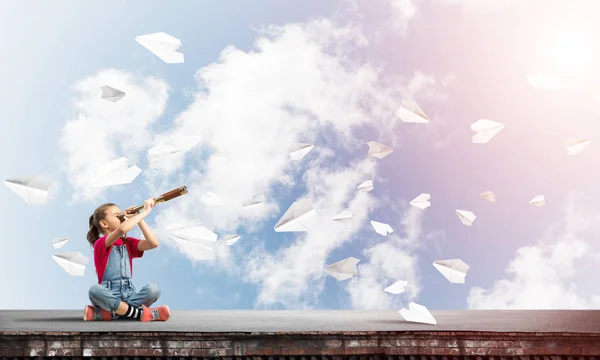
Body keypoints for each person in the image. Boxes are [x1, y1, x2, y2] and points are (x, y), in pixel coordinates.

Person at [83, 198, 170, 322]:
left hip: (130, 293)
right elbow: (122, 229)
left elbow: (153, 243)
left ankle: (110, 314)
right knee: (94, 290)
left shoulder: (127, 243)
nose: (122, 217)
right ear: (104, 224)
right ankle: (142, 314)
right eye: (117, 215)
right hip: (109, 294)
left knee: (154, 289)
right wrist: (144, 212)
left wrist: (139, 218)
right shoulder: (100, 243)